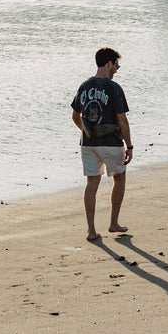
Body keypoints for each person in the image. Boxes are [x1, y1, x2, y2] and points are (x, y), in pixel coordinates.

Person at [71, 48, 133, 241]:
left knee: (91, 183)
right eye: (116, 65)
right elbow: (122, 120)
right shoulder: (114, 88)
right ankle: (113, 223)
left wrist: (86, 131)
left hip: (88, 143)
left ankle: (91, 231)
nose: (117, 69)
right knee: (119, 178)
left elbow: (75, 115)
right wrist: (129, 146)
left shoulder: (84, 85)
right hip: (111, 142)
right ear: (108, 64)